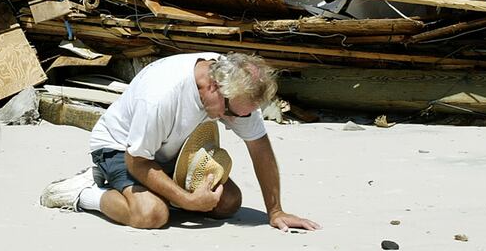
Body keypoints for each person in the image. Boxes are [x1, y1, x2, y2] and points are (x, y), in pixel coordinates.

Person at [40, 51, 321, 231]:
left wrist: (275, 211)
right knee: (152, 215)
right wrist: (187, 200)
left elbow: (259, 145)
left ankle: (162, 193)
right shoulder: (161, 97)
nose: (233, 119)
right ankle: (84, 192)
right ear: (213, 87)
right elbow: (136, 160)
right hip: (121, 147)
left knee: (228, 203)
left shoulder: (235, 90)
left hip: (174, 148)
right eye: (231, 113)